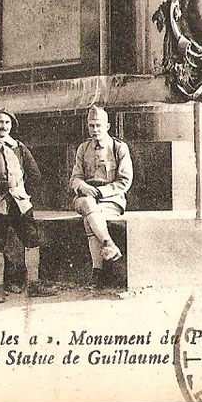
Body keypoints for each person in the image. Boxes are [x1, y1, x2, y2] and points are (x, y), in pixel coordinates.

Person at [0, 108, 57, 303]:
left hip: (20, 203)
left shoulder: (19, 147)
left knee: (32, 241)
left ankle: (34, 285)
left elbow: (35, 173)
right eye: (0, 122)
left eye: (7, 123)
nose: (3, 126)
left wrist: (24, 192)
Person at [70, 106, 133, 289]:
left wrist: (102, 192)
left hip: (111, 199)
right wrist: (84, 186)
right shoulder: (83, 148)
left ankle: (97, 271)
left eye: (98, 125)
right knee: (88, 204)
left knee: (90, 218)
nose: (95, 130)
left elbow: (125, 180)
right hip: (85, 197)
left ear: (107, 126)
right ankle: (109, 243)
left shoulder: (119, 148)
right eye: (91, 126)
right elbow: (75, 178)